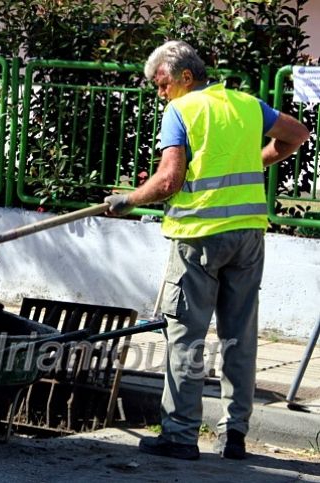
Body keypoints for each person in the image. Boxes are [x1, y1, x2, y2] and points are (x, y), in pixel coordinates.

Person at [105, 40, 309, 460]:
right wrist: (256, 161)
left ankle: (179, 435)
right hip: (248, 237)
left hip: (199, 238)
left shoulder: (181, 111)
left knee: (186, 338)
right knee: (240, 336)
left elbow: (168, 181)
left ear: (183, 77)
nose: (159, 94)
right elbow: (296, 135)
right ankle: (234, 435)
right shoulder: (246, 104)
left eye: (161, 85)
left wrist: (128, 199)